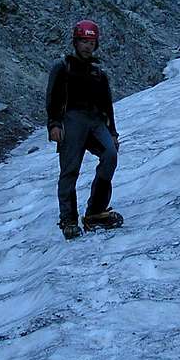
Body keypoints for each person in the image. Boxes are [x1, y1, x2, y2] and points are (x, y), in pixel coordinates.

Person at [46, 19, 123, 239]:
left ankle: (95, 211)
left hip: (96, 121)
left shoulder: (99, 74)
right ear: (76, 42)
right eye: (83, 41)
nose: (87, 46)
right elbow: (53, 99)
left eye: (91, 41)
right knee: (70, 170)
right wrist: (54, 124)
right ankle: (68, 220)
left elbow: (107, 106)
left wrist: (113, 133)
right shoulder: (62, 67)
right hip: (71, 122)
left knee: (110, 155)